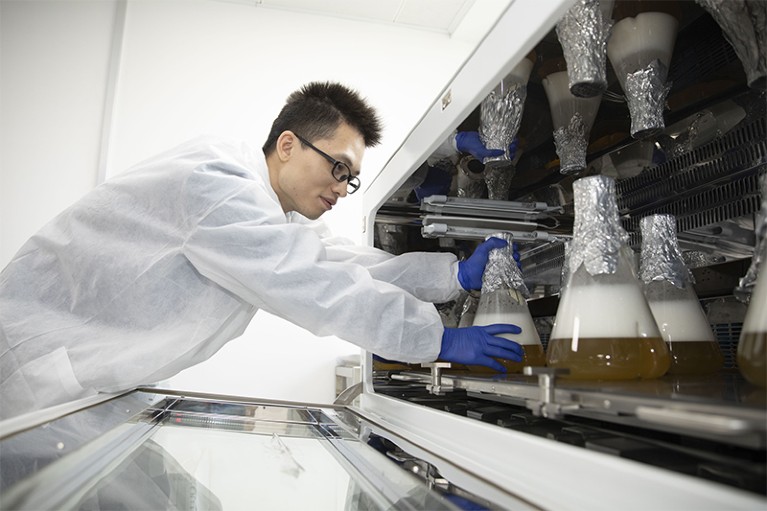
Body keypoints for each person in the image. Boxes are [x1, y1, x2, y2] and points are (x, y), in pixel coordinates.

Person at [0, 81, 523, 420]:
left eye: (352, 179)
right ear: (289, 144)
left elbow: (338, 261)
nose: (343, 188)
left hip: (87, 385)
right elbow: (310, 285)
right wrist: (435, 339)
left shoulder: (272, 209)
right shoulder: (220, 185)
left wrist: (452, 277)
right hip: (36, 373)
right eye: (339, 169)